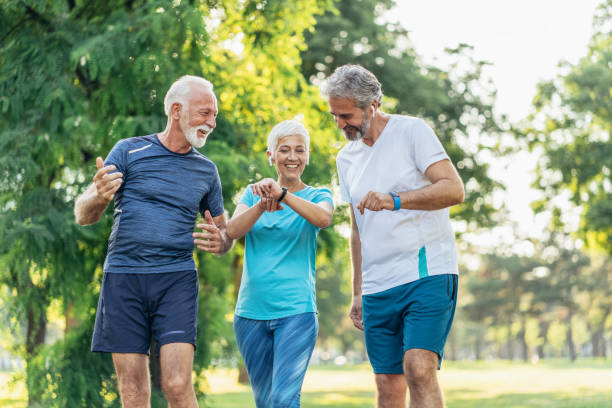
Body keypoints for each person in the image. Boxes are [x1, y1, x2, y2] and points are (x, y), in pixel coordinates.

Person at [74, 75, 233, 408]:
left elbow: (224, 232)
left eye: (214, 115)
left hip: (175, 280)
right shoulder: (129, 151)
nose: (212, 122)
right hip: (124, 278)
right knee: (132, 391)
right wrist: (100, 197)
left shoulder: (206, 171)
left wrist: (222, 242)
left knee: (176, 384)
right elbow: (83, 214)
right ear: (176, 110)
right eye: (205, 113)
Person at [321, 64, 465, 408]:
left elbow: (453, 188)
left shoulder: (411, 132)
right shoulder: (346, 158)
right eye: (335, 116)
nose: (340, 124)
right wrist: (357, 291)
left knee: (418, 367)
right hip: (377, 286)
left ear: (372, 105)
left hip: (425, 273)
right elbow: (356, 230)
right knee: (387, 384)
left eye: (346, 115)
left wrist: (396, 200)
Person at [226, 119, 334, 407]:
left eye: (300, 150)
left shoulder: (318, 195)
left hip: (295, 312)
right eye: (284, 150)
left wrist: (282, 194)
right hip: (250, 314)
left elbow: (323, 219)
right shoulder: (252, 194)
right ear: (270, 155)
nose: (292, 157)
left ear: (307, 155)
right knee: (265, 402)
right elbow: (233, 230)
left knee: (284, 400)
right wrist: (262, 203)